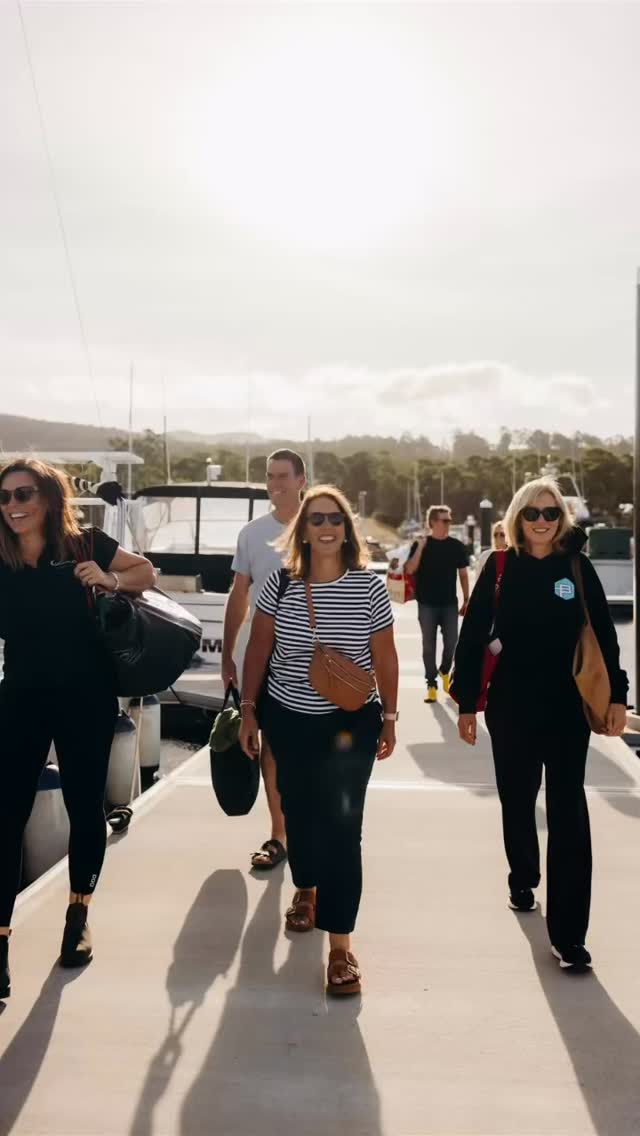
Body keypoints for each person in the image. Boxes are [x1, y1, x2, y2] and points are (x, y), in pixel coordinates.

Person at [454, 477, 627, 972]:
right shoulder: (501, 567)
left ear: (563, 519)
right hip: (510, 706)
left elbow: (603, 635)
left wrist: (617, 695)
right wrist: (467, 702)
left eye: (552, 513)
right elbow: (472, 636)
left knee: (569, 809)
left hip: (567, 708)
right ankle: (523, 874)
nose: (543, 522)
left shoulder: (577, 566)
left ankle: (569, 935)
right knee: (517, 794)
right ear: (517, 518)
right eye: (533, 513)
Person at [0, 458, 155, 999]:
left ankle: (77, 916)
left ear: (46, 497)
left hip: (86, 697)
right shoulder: (0, 555)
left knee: (86, 807)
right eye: (5, 498)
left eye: (23, 494)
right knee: (6, 815)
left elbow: (145, 573)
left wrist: (110, 578)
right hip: (19, 699)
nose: (13, 506)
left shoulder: (83, 543)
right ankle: (0, 943)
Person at [238, 486, 398, 996]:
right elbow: (259, 647)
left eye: (336, 518)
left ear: (347, 529)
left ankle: (341, 947)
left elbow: (386, 657)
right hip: (289, 719)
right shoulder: (281, 584)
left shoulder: (368, 587)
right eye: (317, 519)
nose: (326, 526)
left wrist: (391, 717)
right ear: (302, 529)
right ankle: (305, 887)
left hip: (351, 724)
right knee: (301, 817)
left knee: (344, 828)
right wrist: (247, 711)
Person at [222, 450, 306, 871]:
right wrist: (227, 654)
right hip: (263, 655)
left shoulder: (323, 525)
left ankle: (312, 829)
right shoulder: (252, 533)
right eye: (270, 477)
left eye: (283, 476)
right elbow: (239, 595)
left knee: (313, 750)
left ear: (301, 479)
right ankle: (279, 835)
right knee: (270, 748)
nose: (275, 484)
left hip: (315, 661)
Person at [404, 504, 469, 702]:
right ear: (432, 522)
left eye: (449, 520)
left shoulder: (456, 546)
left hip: (449, 603)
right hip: (426, 604)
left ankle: (445, 669)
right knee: (428, 646)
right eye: (445, 520)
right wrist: (421, 547)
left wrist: (467, 599)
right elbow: (409, 569)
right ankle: (431, 684)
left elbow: (464, 575)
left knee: (452, 643)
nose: (448, 524)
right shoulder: (421, 545)